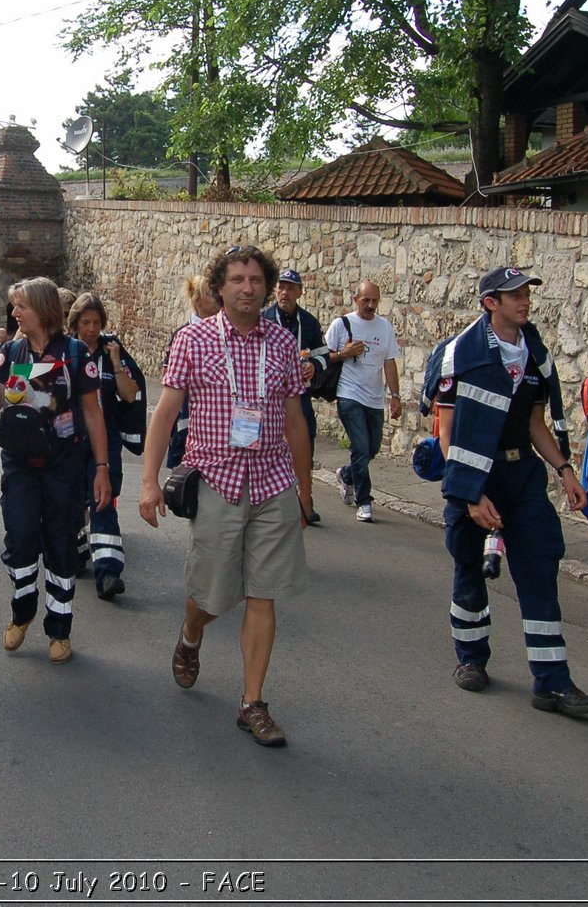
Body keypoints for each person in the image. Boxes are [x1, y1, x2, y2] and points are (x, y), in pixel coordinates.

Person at [139, 246, 313, 748]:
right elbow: (165, 413)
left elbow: (296, 421)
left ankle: (252, 703)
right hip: (216, 480)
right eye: (237, 279)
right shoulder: (193, 340)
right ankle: (192, 632)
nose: (247, 287)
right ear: (220, 287)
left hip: (272, 480)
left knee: (264, 594)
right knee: (211, 595)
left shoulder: (282, 343)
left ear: (267, 286)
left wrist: (304, 491)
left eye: (256, 279)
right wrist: (149, 481)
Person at [431, 267, 588, 717]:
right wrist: (470, 492)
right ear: (491, 303)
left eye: (526, 293)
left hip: (521, 472)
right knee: (469, 567)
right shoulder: (458, 355)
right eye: (514, 295)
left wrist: (564, 469)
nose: (525, 301)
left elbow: (534, 423)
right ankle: (470, 659)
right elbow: (447, 432)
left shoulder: (535, 352)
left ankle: (552, 683)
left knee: (539, 568)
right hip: (473, 474)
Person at [0, 277, 113, 663]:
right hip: (20, 464)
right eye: (14, 306)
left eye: (21, 306)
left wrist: (101, 468)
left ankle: (60, 629)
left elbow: (93, 413)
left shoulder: (74, 353)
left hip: (63, 464)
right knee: (20, 538)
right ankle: (22, 614)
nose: (15, 312)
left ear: (43, 309)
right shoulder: (11, 350)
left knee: (60, 544)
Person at [68, 292, 144, 601]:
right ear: (74, 324)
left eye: (96, 323)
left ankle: (109, 571)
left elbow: (128, 395)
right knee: (73, 499)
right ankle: (76, 550)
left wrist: (115, 362)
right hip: (71, 437)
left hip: (106, 438)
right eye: (85, 322)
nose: (91, 329)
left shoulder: (113, 351)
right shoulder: (66, 351)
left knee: (103, 497)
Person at [324, 280, 403, 523]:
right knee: (360, 446)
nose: (370, 305)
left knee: (372, 448)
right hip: (349, 395)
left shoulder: (384, 328)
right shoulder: (342, 324)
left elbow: (389, 362)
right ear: (355, 299)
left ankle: (346, 475)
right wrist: (345, 353)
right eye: (365, 300)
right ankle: (364, 500)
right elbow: (324, 357)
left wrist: (396, 396)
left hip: (375, 398)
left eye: (374, 301)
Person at [261, 269, 325, 524]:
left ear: (299, 292)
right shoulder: (264, 319)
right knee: (273, 447)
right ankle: (280, 501)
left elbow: (323, 354)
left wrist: (314, 366)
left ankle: (304, 497)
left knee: (304, 443)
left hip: (301, 395)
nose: (285, 292)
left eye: (290, 288)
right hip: (270, 399)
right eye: (281, 287)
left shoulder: (308, 323)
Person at [165, 275, 220, 469]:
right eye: (210, 293)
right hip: (185, 426)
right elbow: (170, 386)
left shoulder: (226, 334)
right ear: (198, 300)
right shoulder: (183, 336)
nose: (216, 297)